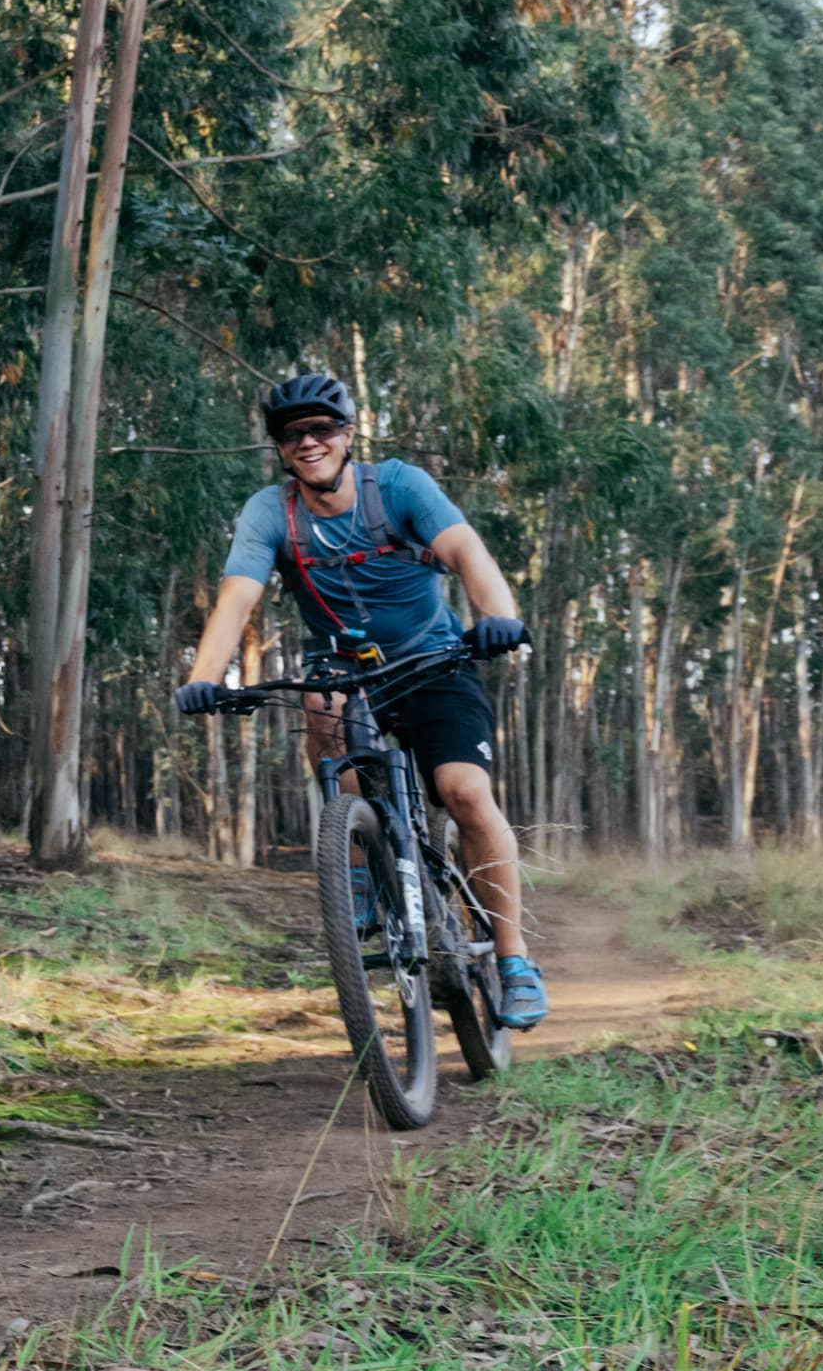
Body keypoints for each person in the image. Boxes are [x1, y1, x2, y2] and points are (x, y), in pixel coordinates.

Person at [175, 372, 547, 1029]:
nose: (308, 442)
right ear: (280, 448)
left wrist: (497, 618)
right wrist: (204, 677)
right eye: (292, 434)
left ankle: (514, 961)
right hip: (342, 668)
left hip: (434, 661)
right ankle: (362, 863)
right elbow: (237, 597)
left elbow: (466, 550)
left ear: (347, 434)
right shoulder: (271, 512)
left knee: (463, 791)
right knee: (319, 706)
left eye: (321, 428)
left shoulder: (399, 487)